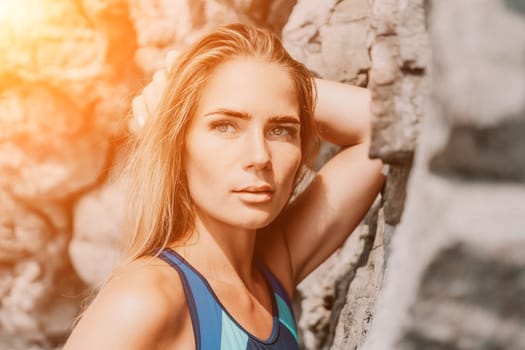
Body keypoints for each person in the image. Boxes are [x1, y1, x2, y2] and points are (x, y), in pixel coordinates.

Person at [63, 23, 385, 349]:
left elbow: (386, 126)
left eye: (281, 130)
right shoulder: (146, 296)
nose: (259, 156)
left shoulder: (273, 270)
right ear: (177, 142)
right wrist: (185, 90)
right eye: (225, 126)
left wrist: (279, 84)